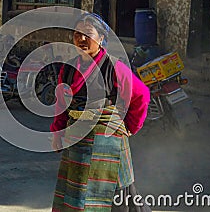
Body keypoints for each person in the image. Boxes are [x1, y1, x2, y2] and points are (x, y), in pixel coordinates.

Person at [50, 13, 151, 211]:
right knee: (78, 191)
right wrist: (57, 132)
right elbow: (62, 103)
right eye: (77, 34)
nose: (82, 39)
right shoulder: (68, 68)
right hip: (77, 139)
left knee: (114, 191)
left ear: (102, 38)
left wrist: (130, 126)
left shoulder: (114, 67)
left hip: (108, 139)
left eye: (88, 33)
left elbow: (142, 95)